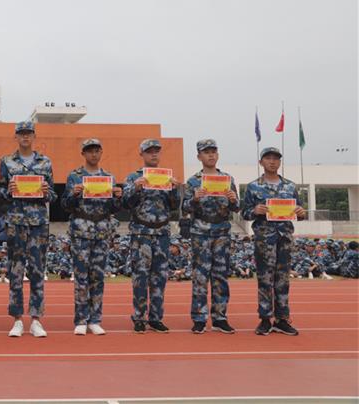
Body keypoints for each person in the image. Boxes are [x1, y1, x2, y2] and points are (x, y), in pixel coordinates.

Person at [0, 121, 56, 338]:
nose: (25, 137)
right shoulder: (7, 162)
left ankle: (36, 320)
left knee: (37, 271)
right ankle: (17, 320)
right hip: (15, 223)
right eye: (21, 133)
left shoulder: (45, 162)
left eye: (28, 133)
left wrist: (46, 191)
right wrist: (8, 190)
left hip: (39, 223)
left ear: (34, 136)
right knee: (15, 271)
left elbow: (53, 196)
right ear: (16, 136)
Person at [241, 146, 306, 336]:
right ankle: (265, 319)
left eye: (276, 158)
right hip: (264, 239)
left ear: (279, 162)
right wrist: (255, 211)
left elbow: (299, 212)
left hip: (284, 238)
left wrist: (301, 213)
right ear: (261, 162)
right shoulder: (253, 186)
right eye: (268, 158)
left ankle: (282, 319)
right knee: (265, 279)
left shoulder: (290, 186)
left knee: (283, 279)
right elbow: (244, 213)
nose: (272, 161)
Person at [61, 137, 122, 336]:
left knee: (97, 277)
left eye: (96, 150)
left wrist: (118, 197)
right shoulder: (75, 176)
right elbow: (65, 205)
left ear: (101, 152)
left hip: (102, 231)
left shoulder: (109, 177)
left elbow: (115, 208)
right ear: (83, 153)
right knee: (81, 277)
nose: (93, 154)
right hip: (81, 231)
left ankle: (95, 319)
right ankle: (81, 319)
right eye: (89, 151)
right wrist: (73, 194)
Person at [122, 139, 181, 334]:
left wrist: (175, 190)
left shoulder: (167, 177)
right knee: (140, 277)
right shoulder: (134, 177)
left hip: (162, 233)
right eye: (149, 151)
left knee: (160, 277)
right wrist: (135, 188)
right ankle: (139, 317)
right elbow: (125, 203)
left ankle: (156, 318)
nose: (154, 154)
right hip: (141, 234)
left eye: (156, 151)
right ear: (142, 154)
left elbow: (175, 206)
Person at [182, 139, 240, 334]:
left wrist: (233, 199)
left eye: (213, 151)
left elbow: (236, 207)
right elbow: (184, 208)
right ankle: (199, 318)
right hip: (200, 231)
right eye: (206, 152)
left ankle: (219, 317)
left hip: (222, 231)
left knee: (220, 275)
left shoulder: (227, 179)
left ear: (218, 155)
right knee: (200, 276)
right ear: (199, 156)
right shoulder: (193, 181)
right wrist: (194, 198)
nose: (211, 155)